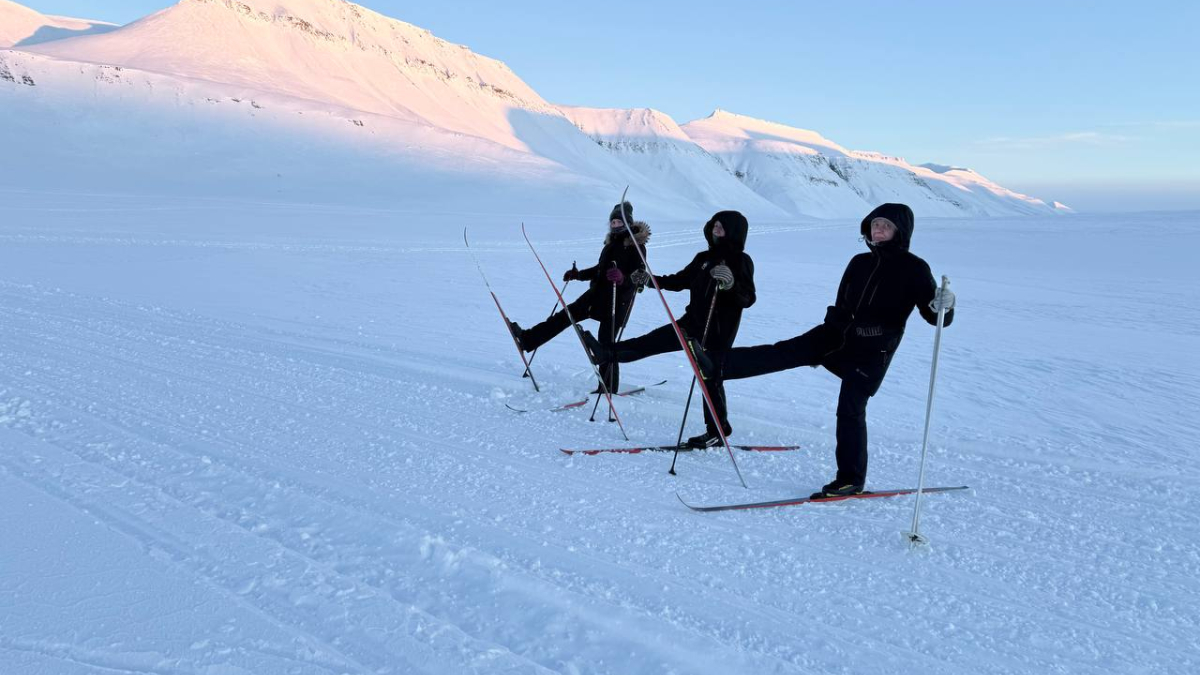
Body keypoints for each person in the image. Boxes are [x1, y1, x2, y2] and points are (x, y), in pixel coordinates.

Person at [691, 203, 955, 498]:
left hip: (873, 350)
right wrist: (830, 330)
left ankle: (850, 479)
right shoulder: (859, 262)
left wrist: (944, 304)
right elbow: (842, 302)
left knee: (850, 410)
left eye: (886, 225)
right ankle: (716, 365)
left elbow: (935, 316)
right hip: (837, 335)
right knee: (785, 351)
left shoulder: (915, 268)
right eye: (875, 223)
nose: (878, 229)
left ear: (900, 231)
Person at [584, 210, 755, 448]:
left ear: (734, 232)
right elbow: (678, 281)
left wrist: (730, 284)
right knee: (650, 342)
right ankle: (607, 353)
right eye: (714, 226)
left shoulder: (740, 262)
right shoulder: (703, 258)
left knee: (709, 379)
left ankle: (717, 430)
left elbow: (747, 298)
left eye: (721, 227)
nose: (716, 231)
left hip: (717, 332)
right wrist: (650, 280)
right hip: (691, 323)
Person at [510, 202, 649, 391]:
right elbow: (600, 270)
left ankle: (608, 387)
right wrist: (578, 275)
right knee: (563, 317)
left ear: (627, 223)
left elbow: (640, 276)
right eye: (613, 222)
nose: (615, 225)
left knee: (606, 345)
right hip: (595, 296)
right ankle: (528, 340)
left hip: (618, 301)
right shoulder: (611, 244)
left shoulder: (636, 246)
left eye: (618, 222)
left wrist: (623, 278)